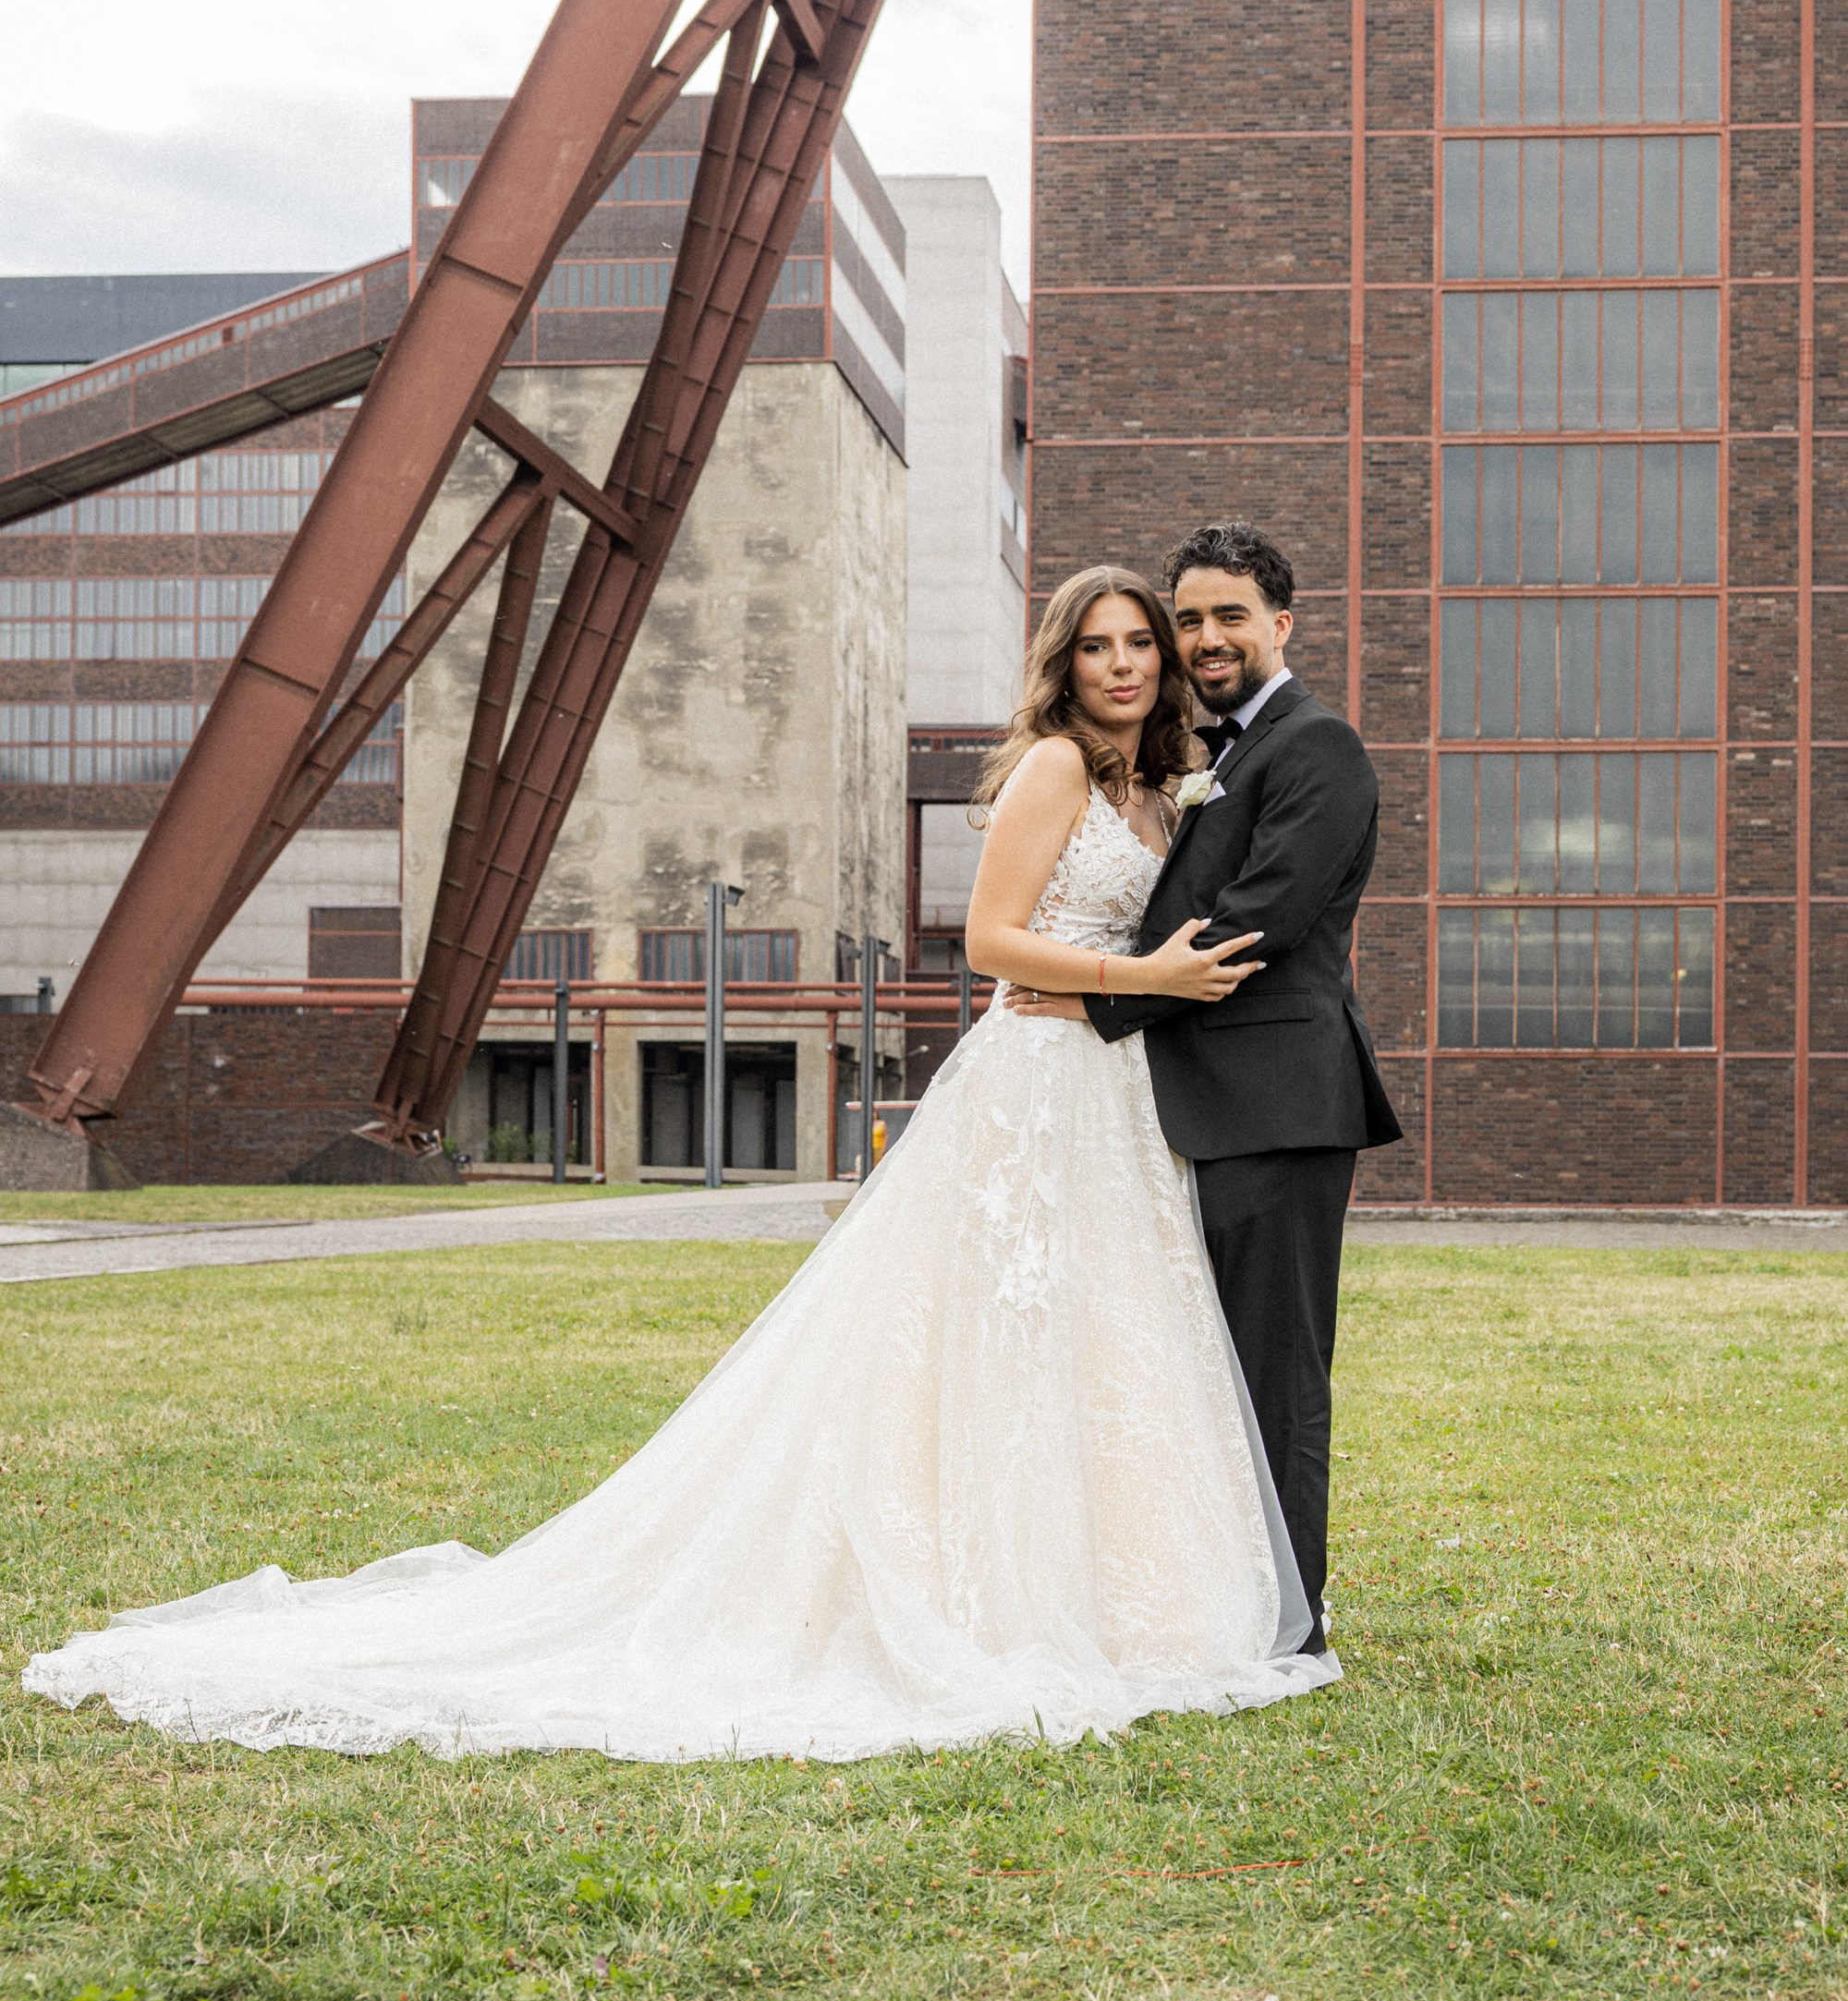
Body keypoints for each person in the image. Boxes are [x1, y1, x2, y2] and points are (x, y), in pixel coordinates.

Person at [23, 565, 1336, 1765]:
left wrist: (1137, 988)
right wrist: (1131, 977)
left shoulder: (1160, 791)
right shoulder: (1051, 768)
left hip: (1113, 1096)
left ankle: (1113, 1595)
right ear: (1063, 664)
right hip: (1032, 1090)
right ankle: (975, 1594)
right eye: (1098, 646)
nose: (1124, 665)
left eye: (1140, 644)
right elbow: (993, 941)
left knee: (1098, 1343)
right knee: (988, 1336)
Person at [1009, 522, 1400, 1657]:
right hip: (1187, 1105)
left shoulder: (1317, 747)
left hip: (1277, 1103)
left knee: (1276, 1374)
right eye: (1188, 620)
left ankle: (1290, 1623)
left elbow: (1258, 920)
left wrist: (1099, 999)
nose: (1205, 637)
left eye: (1229, 615)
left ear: (1281, 623)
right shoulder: (1196, 756)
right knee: (1195, 1368)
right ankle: (1213, 1595)